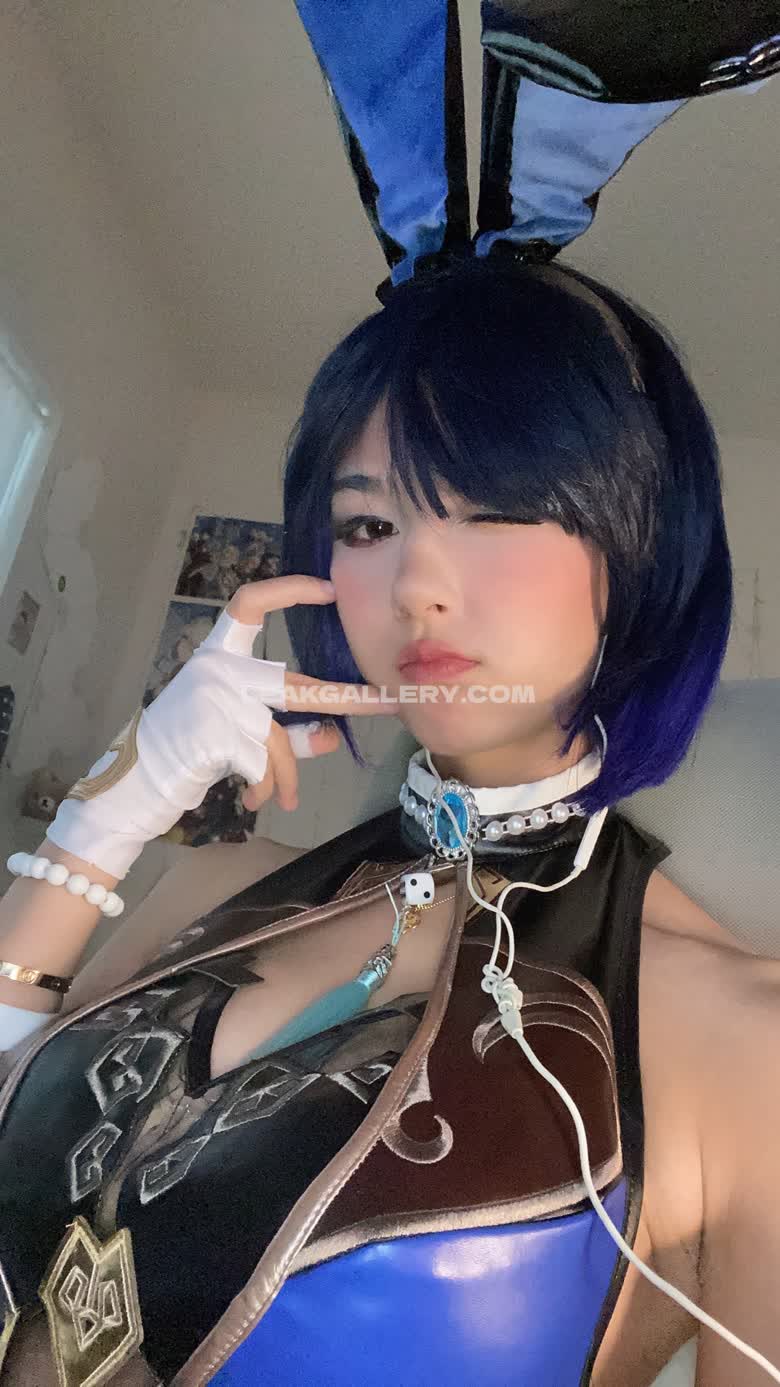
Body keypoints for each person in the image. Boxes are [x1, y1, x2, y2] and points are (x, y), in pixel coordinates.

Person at [2, 5, 780, 1385]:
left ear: (643, 546)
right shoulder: (209, 884)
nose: (416, 583)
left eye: (496, 508)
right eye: (368, 523)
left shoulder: (739, 1045)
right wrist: (108, 815)